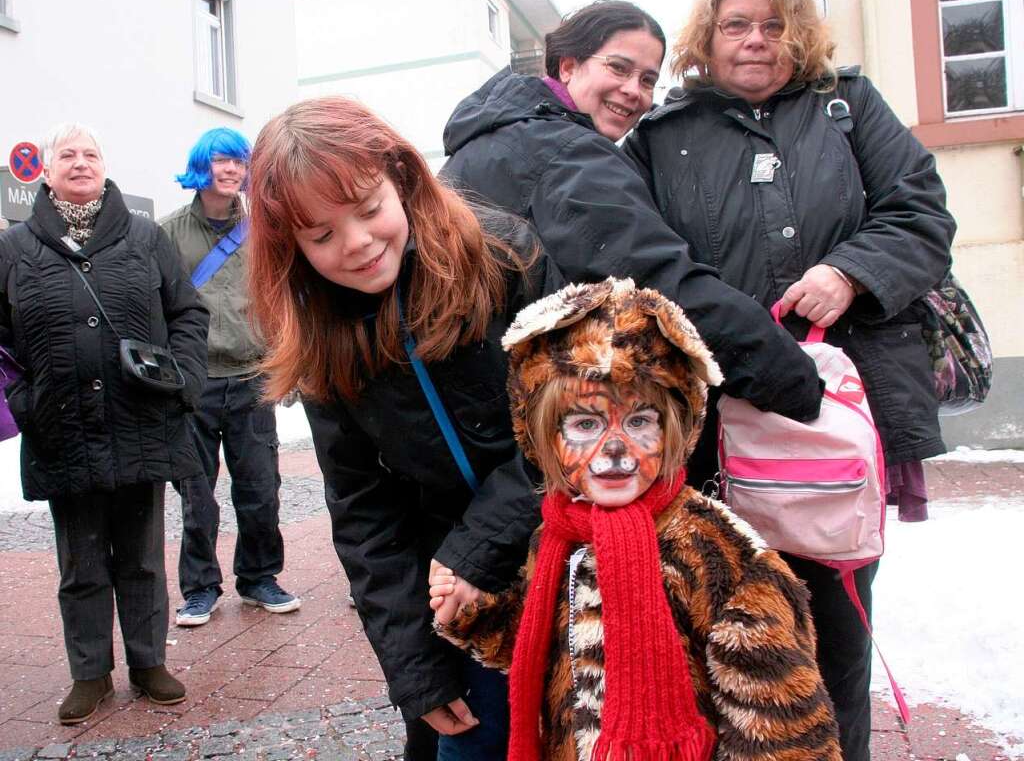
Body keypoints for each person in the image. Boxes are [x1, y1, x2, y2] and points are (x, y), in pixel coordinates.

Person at [622, 0, 956, 757]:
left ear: (799, 33)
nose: (756, 42)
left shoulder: (847, 106)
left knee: (836, 621)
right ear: (708, 37)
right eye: (737, 25)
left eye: (775, 25)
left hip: (833, 418)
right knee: (719, 618)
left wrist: (852, 271)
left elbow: (921, 211)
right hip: (711, 426)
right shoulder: (661, 135)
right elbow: (632, 252)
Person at [245, 97, 563, 760]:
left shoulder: (502, 253)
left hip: (567, 549)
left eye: (367, 209)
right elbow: (363, 509)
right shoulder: (319, 333)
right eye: (322, 235)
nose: (357, 243)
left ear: (402, 179)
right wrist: (413, 669)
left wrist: (476, 550)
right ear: (292, 247)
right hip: (452, 591)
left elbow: (574, 419)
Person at [429, 278, 841, 761]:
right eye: (585, 424)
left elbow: (783, 732)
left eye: (640, 421)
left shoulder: (720, 556)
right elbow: (556, 651)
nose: (615, 450)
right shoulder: (558, 535)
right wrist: (477, 619)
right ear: (545, 440)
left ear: (675, 430)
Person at [441, 0, 825, 432]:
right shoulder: (567, 153)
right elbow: (661, 286)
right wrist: (793, 379)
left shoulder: (489, 139)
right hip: (537, 421)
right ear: (568, 66)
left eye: (647, 80)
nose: (633, 91)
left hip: (467, 410)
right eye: (619, 68)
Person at [0, 123, 208, 723]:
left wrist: (187, 376)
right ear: (44, 170)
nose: (80, 162)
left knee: (142, 554)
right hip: (60, 426)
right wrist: (23, 399)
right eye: (67, 154)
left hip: (139, 420)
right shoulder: (13, 249)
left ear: (105, 166)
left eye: (90, 153)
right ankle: (89, 674)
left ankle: (147, 663)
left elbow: (188, 313)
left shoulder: (145, 238)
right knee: (81, 561)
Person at [160, 128, 299, 627]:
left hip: (250, 377)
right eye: (223, 160)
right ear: (202, 166)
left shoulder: (263, 229)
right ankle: (199, 588)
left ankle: (260, 577)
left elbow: (282, 298)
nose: (233, 170)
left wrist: (287, 365)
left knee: (260, 488)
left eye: (240, 162)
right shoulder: (168, 232)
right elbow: (156, 307)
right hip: (193, 383)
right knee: (196, 495)